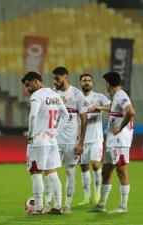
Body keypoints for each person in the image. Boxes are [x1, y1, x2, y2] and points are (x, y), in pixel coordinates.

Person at [21, 71, 69, 215]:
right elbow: (65, 115)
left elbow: (33, 115)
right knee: (52, 172)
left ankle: (39, 207)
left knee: (35, 172)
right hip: (52, 140)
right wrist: (56, 132)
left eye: (28, 85)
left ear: (36, 82)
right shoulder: (55, 95)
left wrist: (30, 135)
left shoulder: (37, 96)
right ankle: (58, 205)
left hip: (38, 140)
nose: (27, 90)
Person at [91, 71, 135, 213]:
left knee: (121, 171)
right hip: (112, 141)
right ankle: (101, 205)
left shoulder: (121, 94)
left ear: (108, 83)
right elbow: (115, 108)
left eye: (105, 82)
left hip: (119, 141)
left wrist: (121, 127)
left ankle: (123, 205)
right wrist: (101, 108)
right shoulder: (117, 96)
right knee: (106, 171)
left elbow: (131, 111)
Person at [46, 66, 88, 214]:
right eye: (54, 79)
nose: (55, 81)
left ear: (65, 77)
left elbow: (84, 118)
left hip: (71, 141)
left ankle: (67, 204)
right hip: (54, 140)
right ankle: (48, 203)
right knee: (50, 171)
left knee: (70, 172)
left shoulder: (77, 94)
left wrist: (81, 142)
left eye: (57, 78)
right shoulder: (51, 93)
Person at [78, 73, 111, 205]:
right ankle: (87, 197)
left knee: (95, 164)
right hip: (81, 138)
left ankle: (97, 193)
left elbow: (112, 106)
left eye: (89, 80)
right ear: (80, 83)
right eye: (84, 80)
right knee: (83, 167)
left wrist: (100, 107)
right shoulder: (77, 98)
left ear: (92, 83)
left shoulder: (99, 97)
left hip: (96, 138)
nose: (87, 82)